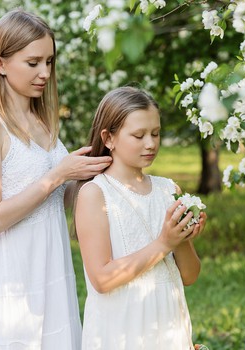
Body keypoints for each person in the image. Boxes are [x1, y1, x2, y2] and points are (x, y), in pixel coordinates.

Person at [0, 9, 112, 349]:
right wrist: (58, 175)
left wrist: (90, 173)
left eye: (49, 62)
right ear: (0, 62)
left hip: (51, 263)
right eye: (33, 63)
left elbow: (60, 198)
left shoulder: (41, 121)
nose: (44, 73)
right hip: (11, 271)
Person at [74, 86, 206, 349]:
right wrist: (164, 243)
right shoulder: (95, 194)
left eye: (156, 133)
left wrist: (181, 239)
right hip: (122, 328)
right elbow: (101, 278)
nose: (150, 143)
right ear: (108, 138)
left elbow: (189, 276)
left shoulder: (168, 190)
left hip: (168, 324)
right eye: (139, 135)